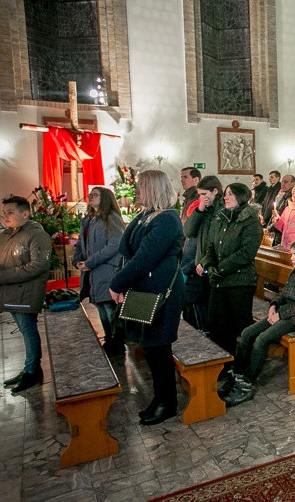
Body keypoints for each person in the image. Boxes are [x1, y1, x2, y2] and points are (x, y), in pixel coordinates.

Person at [109, 170, 185, 425]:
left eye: (141, 187)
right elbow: (126, 248)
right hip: (145, 290)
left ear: (153, 189)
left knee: (159, 347)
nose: (136, 192)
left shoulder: (167, 220)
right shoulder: (146, 216)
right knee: (150, 348)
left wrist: (117, 283)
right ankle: (160, 398)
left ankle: (168, 402)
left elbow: (144, 257)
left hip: (161, 292)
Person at [222, 239, 295, 407]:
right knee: (247, 333)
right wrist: (274, 306)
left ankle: (247, 383)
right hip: (286, 313)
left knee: (261, 339)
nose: (292, 258)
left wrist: (280, 315)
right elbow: (285, 294)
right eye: (292, 254)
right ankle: (237, 375)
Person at [0, 195, 52, 393]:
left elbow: (39, 264)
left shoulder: (36, 235)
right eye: (4, 213)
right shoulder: (5, 236)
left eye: (10, 212)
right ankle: (29, 368)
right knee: (24, 331)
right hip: (11, 292)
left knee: (28, 330)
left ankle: (32, 371)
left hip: (27, 292)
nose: (5, 217)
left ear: (25, 214)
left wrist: (3, 276)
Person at [197, 183, 262, 362]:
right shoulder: (221, 218)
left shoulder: (251, 222)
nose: (225, 197)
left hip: (240, 282)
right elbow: (211, 246)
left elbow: (246, 253)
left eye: (230, 194)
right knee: (217, 325)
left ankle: (242, 366)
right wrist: (209, 265)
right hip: (219, 281)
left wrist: (221, 268)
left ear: (241, 197)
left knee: (239, 327)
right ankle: (222, 365)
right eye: (225, 194)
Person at [73, 186, 126, 355]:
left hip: (107, 270)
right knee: (101, 309)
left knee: (111, 311)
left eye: (95, 195)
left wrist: (91, 262)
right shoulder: (89, 220)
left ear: (105, 198)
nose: (90, 197)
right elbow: (81, 243)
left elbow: (115, 244)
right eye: (90, 194)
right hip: (93, 272)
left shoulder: (111, 218)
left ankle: (117, 344)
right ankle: (109, 340)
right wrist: (78, 259)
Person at [183, 175, 225, 333]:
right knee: (201, 303)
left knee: (212, 309)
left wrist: (206, 261)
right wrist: (199, 209)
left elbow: (217, 241)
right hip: (200, 265)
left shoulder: (223, 210)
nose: (202, 198)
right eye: (199, 194)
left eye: (204, 194)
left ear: (215, 191)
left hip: (213, 265)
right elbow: (188, 231)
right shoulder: (203, 209)